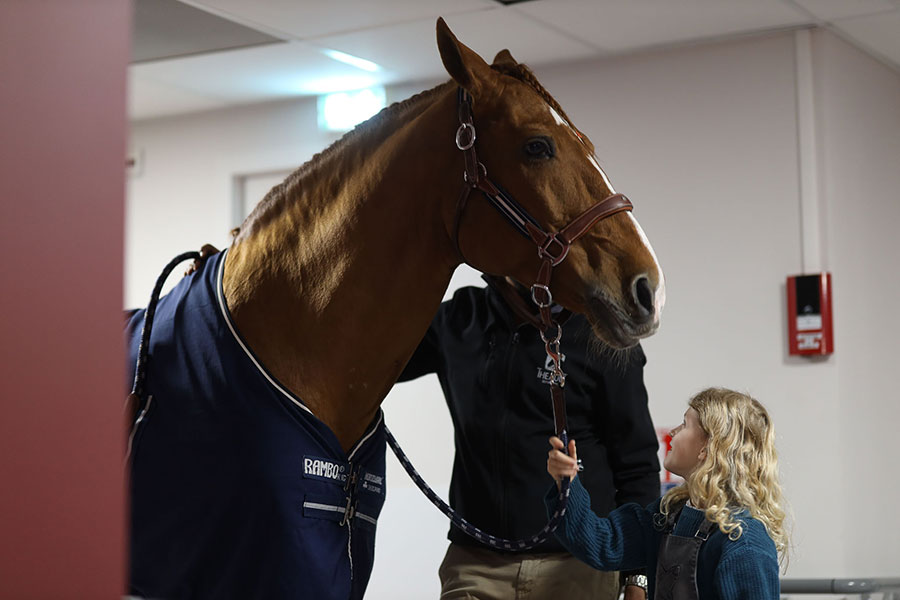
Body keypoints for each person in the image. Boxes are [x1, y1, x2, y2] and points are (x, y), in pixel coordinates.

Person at [398, 275, 660, 599]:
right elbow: (371, 360)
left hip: (578, 567)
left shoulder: (601, 332)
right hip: (475, 565)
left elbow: (637, 466)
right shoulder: (460, 316)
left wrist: (639, 575)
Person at [546, 387, 789, 600]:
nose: (672, 432)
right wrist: (566, 482)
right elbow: (600, 544)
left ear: (708, 447)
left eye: (685, 424)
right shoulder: (665, 517)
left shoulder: (744, 542)